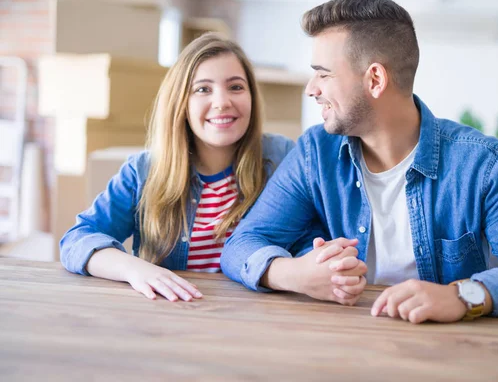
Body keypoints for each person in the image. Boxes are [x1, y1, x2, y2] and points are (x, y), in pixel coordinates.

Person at [221, 0, 498, 323]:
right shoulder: (315, 154)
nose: (311, 88)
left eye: (323, 74)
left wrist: (461, 297)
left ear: (375, 79)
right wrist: (294, 273)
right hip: (340, 344)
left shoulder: (482, 166)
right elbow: (242, 245)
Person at [60, 33, 312, 302]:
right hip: (173, 319)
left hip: (263, 320)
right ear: (181, 102)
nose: (222, 102)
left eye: (236, 87)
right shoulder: (143, 171)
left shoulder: (282, 158)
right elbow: (76, 240)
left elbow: (310, 237)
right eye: (203, 89)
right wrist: (133, 268)